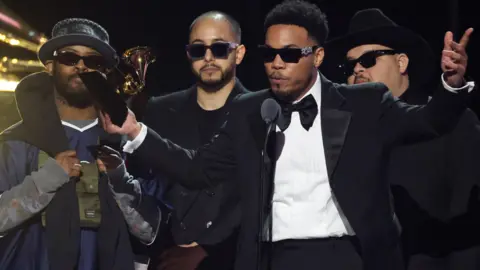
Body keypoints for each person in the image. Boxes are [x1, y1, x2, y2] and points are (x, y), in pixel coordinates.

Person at [102, 1, 475, 269]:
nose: (277, 64)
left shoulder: (364, 102)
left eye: (290, 54)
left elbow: (429, 122)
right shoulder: (250, 110)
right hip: (271, 256)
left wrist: (451, 85)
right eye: (269, 54)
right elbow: (197, 169)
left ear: (317, 57)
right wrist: (136, 132)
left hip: (349, 256)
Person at [323, 8, 480, 270]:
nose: (358, 70)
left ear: (401, 63)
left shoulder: (457, 124)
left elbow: (472, 228)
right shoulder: (341, 133)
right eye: (350, 66)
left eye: (370, 59)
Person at [0, 18, 160, 270]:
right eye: (70, 58)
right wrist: (46, 180)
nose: (81, 67)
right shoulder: (16, 143)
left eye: (93, 61)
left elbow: (150, 231)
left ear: (105, 72)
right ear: (51, 66)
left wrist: (120, 179)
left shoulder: (128, 144)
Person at [131, 11, 249, 270]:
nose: (208, 57)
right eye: (198, 49)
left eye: (219, 48)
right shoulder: (159, 111)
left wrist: (208, 249)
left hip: (234, 259)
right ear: (188, 54)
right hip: (165, 257)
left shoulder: (260, 112)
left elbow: (264, 196)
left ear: (238, 53)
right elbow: (142, 187)